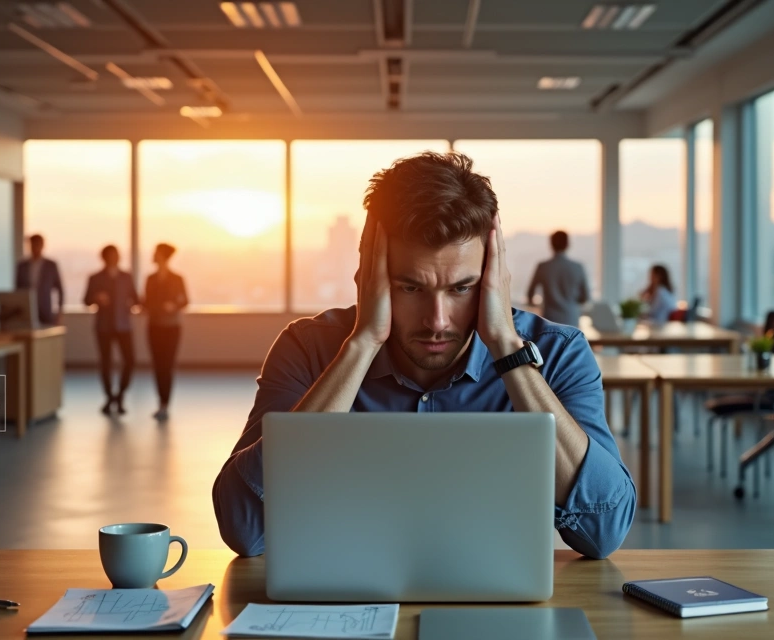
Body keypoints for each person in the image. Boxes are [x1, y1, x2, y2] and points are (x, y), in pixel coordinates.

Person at [212, 152, 635, 560]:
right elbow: (246, 530)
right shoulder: (307, 349)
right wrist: (362, 345)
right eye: (411, 287)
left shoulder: (558, 353)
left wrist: (507, 348)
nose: (437, 321)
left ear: (493, 277)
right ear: (370, 274)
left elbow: (603, 531)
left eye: (461, 288)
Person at [84, 245, 138, 416]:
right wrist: (97, 298)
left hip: (124, 326)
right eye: (110, 255)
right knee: (105, 363)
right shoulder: (95, 278)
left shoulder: (126, 277)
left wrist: (128, 305)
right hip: (104, 327)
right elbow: (86, 300)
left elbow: (136, 299)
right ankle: (109, 397)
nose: (114, 258)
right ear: (104, 258)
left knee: (130, 361)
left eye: (116, 255)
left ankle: (120, 394)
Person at [143, 243, 188, 421]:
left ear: (163, 255)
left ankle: (165, 403)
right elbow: (146, 302)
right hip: (154, 326)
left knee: (167, 365)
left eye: (156, 252)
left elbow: (185, 301)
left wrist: (174, 305)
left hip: (172, 327)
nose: (153, 255)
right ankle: (161, 401)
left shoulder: (177, 279)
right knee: (157, 365)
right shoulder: (150, 279)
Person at [526, 231, 590, 327]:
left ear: (551, 244)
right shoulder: (578, 267)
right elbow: (585, 297)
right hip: (571, 319)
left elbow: (530, 294)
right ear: (567, 244)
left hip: (549, 319)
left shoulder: (543, 267)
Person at [15, 234, 64, 326]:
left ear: (42, 245)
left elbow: (60, 289)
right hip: (26, 311)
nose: (35, 247)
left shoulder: (51, 265)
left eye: (37, 244)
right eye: (33, 244)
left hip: (45, 310)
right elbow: (17, 290)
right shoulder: (22, 266)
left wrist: (59, 311)